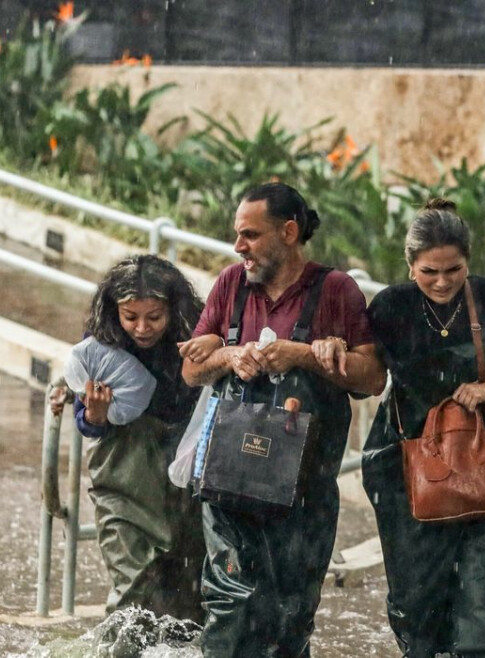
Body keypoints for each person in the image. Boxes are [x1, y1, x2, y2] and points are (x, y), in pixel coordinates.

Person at [180, 181, 386, 657]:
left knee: (288, 620)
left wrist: (305, 356)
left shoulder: (336, 290)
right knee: (231, 608)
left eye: (250, 235)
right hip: (230, 483)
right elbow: (191, 369)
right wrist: (230, 357)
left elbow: (373, 377)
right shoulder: (231, 284)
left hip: (305, 493)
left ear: (289, 232)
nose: (238, 247)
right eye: (237, 235)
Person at [361, 198, 485, 658]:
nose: (443, 281)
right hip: (410, 462)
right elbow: (366, 375)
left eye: (454, 269)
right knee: (414, 596)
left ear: (468, 262)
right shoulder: (390, 306)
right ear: (410, 266)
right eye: (430, 271)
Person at [71, 254, 207, 623]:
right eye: (131, 317)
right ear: (115, 311)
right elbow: (85, 420)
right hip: (124, 483)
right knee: (132, 594)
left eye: (154, 317)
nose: (142, 328)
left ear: (172, 310)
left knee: (186, 600)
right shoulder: (100, 344)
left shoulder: (195, 337)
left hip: (185, 480)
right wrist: (95, 414)